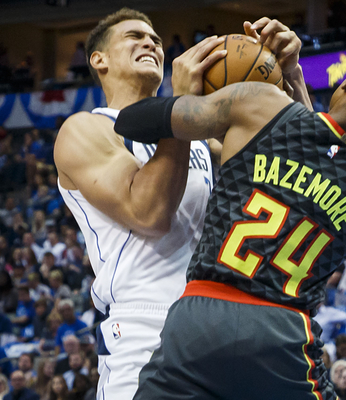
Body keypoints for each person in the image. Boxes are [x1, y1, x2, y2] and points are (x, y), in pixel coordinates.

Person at [114, 51, 346, 399]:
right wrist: (293, 82)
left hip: (201, 313)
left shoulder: (261, 103)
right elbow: (325, 162)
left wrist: (187, 97)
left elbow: (131, 122)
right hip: (283, 332)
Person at [54, 8, 306, 400]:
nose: (151, 43)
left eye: (155, 39)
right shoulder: (87, 128)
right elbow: (149, 213)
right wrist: (182, 105)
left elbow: (305, 173)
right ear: (99, 59)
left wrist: (291, 77)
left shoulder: (203, 140)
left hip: (221, 320)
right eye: (135, 36)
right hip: (145, 325)